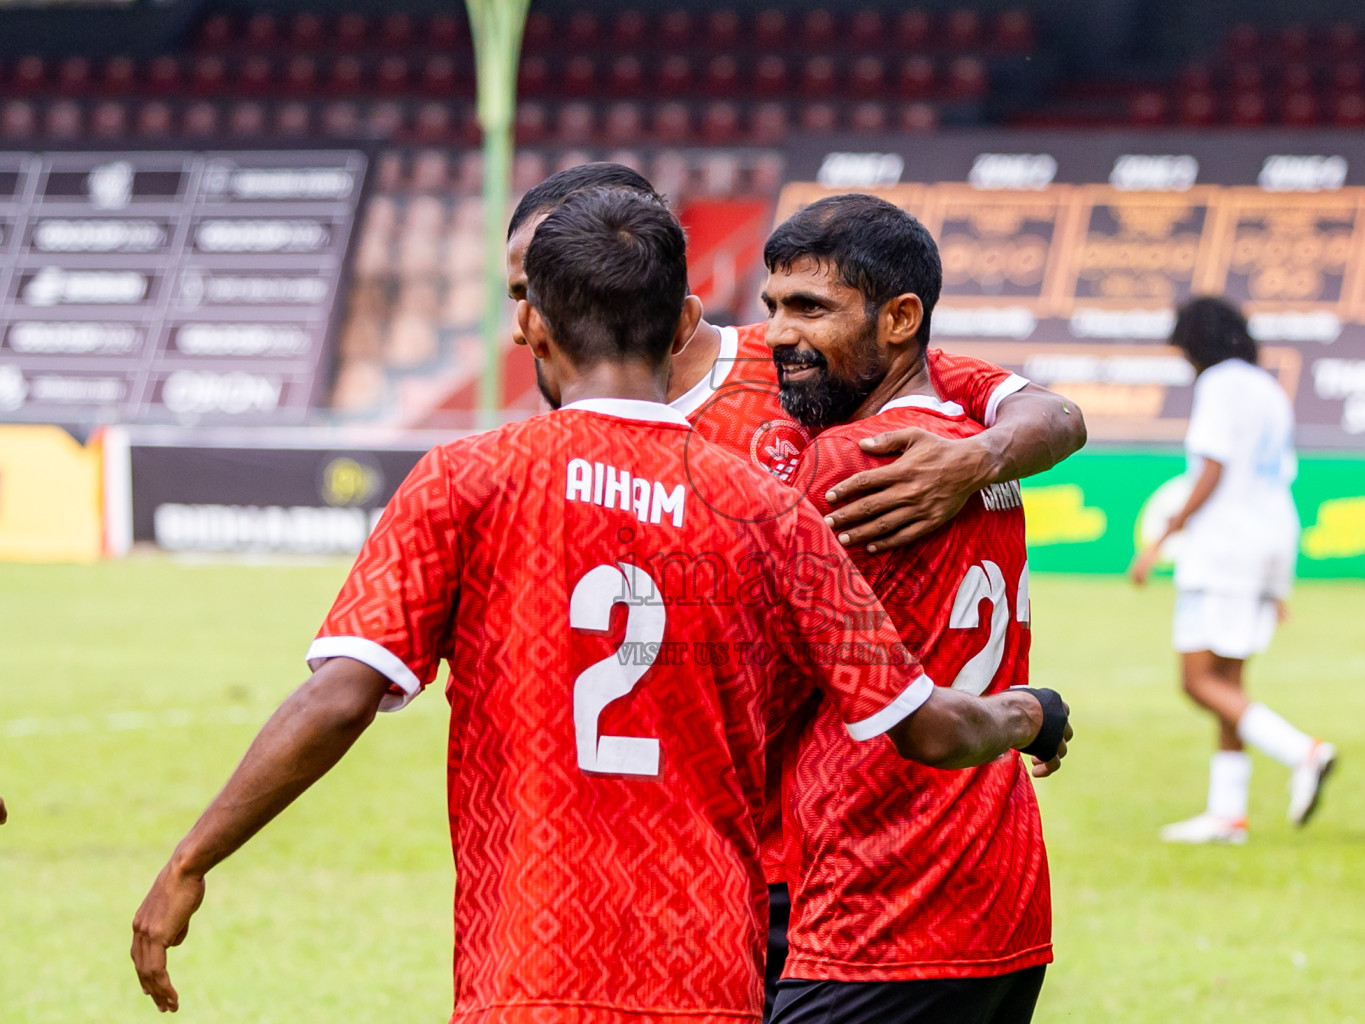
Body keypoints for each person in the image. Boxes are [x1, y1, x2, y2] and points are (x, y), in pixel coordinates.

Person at [130, 188, 1070, 1022]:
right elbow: (926, 722)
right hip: (720, 952)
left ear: (536, 326)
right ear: (680, 324)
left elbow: (341, 696)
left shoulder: (467, 479)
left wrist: (190, 859)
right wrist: (1034, 711)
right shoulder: (766, 503)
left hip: (539, 953)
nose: (786, 332)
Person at [503, 164, 1086, 1016]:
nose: (528, 320)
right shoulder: (574, 438)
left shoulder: (815, 384)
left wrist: (980, 459)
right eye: (523, 289)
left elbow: (1053, 415)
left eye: (554, 282)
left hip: (843, 864)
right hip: (786, 851)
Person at [761, 195, 1055, 1024]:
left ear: (900, 319)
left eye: (810, 309)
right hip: (998, 893)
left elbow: (752, 681)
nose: (782, 335)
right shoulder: (970, 450)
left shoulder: (854, 458)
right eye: (774, 308)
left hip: (881, 896)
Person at [1130, 295, 1337, 845]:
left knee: (1196, 681)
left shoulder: (1220, 384)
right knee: (1230, 682)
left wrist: (1162, 540)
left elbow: (1213, 468)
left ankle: (1304, 752)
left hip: (1225, 547)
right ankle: (1228, 814)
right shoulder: (1267, 388)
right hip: (1268, 541)